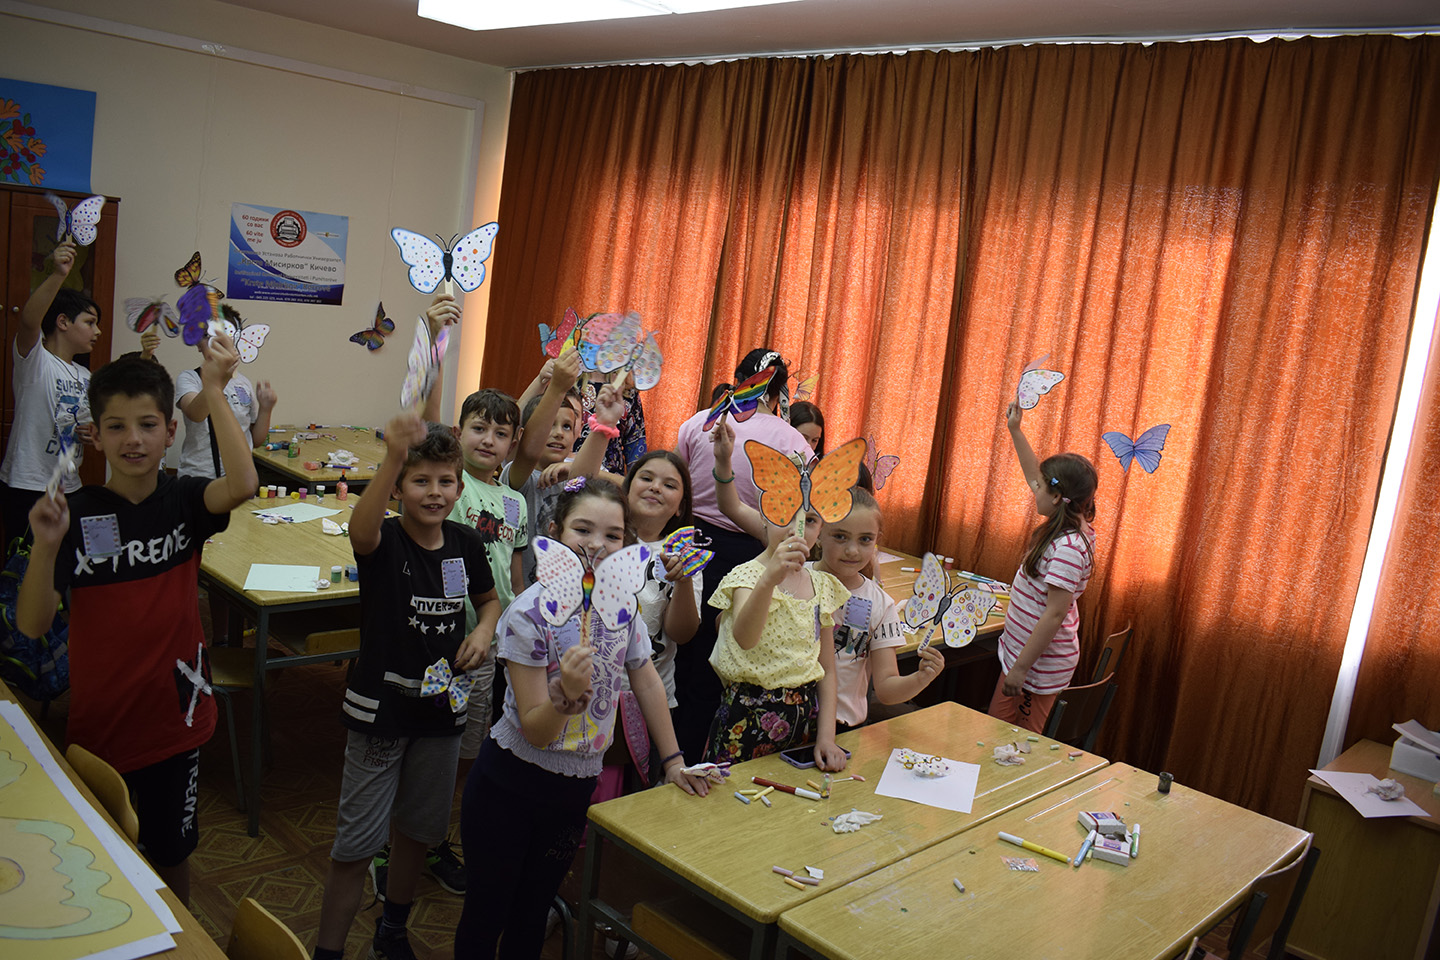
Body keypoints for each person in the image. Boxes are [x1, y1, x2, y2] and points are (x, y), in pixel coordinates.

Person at [17, 342, 259, 902]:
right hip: (101, 729)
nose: (134, 439)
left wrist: (214, 390)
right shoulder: (75, 513)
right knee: (99, 865)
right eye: (117, 426)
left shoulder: (184, 500)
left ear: (170, 432)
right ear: (96, 436)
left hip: (176, 721)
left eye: (148, 425)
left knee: (172, 856)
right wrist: (46, 547)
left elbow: (243, 484)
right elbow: (32, 625)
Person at [454, 477, 710, 959]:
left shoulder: (624, 609)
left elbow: (646, 679)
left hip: (574, 787)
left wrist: (673, 761)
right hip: (510, 784)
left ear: (626, 543)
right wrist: (564, 698)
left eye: (612, 535)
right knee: (487, 912)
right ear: (554, 532)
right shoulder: (530, 614)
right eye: (583, 530)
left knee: (532, 911)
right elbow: (535, 728)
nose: (596, 545)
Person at [312, 415, 500, 960]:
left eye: (445, 481)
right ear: (397, 488)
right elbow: (360, 530)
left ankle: (392, 928)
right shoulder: (385, 540)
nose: (434, 492)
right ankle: (328, 950)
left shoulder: (466, 543)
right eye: (420, 481)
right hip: (381, 710)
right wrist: (394, 454)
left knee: (418, 832)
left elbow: (488, 601)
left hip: (442, 712)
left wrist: (483, 631)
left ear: (459, 489)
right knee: (355, 845)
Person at [710, 425, 942, 731]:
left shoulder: (878, 603)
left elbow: (885, 689)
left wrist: (922, 677)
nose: (851, 550)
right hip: (784, 720)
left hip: (838, 727)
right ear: (821, 533)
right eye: (840, 536)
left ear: (877, 541)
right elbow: (732, 630)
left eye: (865, 539)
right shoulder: (789, 574)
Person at [671, 348, 810, 761]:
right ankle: (705, 756)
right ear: (779, 393)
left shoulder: (700, 421)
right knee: (726, 660)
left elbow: (679, 485)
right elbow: (804, 510)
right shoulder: (792, 439)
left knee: (683, 654)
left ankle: (672, 754)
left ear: (738, 381)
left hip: (690, 543)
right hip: (753, 554)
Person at [990, 401, 1098, 734]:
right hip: (1021, 658)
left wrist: (1021, 670)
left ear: (1056, 497)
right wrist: (1015, 430)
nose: (1033, 489)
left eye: (1039, 487)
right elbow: (1033, 473)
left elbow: (1054, 614)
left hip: (1037, 669)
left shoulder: (1068, 548)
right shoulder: (1067, 523)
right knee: (993, 730)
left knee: (1021, 745)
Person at [0, 239, 97, 545]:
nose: (97, 331)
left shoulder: (87, 376)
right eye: (90, 322)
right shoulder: (36, 360)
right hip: (29, 485)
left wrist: (92, 432)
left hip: (70, 487)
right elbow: (29, 321)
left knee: (64, 566)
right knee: (25, 567)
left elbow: (92, 426)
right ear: (63, 322)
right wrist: (58, 274)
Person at [505, 350, 585, 585]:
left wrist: (572, 470)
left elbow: (617, 484)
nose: (559, 433)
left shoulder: (573, 479)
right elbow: (529, 450)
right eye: (550, 425)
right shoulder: (519, 475)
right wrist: (555, 387)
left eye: (567, 426)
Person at [175, 340, 277, 478]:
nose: (217, 343)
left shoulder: (243, 383)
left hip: (239, 477)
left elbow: (255, 440)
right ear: (199, 345)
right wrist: (220, 379)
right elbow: (195, 414)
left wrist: (266, 409)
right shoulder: (190, 378)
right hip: (199, 475)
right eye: (208, 336)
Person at [573, 368, 647, 476]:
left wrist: (635, 481)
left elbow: (636, 448)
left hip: (610, 480)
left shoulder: (627, 391)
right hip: (569, 474)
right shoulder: (569, 384)